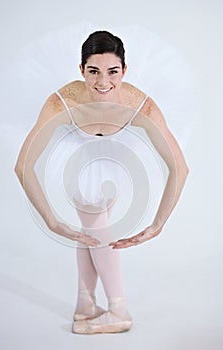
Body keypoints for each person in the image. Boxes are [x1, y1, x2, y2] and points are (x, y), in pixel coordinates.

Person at [14, 31, 189, 334]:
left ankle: (117, 309)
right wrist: (51, 221)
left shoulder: (141, 105)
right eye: (93, 71)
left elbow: (179, 167)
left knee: (93, 222)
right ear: (81, 70)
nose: (103, 82)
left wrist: (157, 225)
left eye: (113, 72)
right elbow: (23, 166)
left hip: (117, 163)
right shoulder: (62, 102)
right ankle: (86, 304)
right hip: (80, 158)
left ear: (124, 71)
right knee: (92, 220)